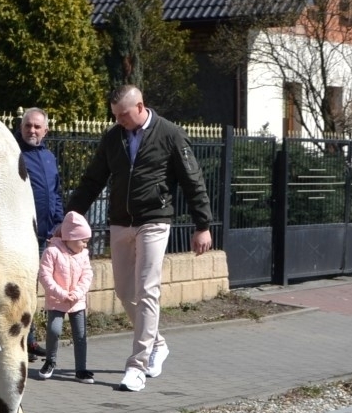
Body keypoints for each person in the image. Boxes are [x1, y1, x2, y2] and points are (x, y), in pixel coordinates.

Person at [64, 85, 212, 393]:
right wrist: (71, 215)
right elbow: (93, 179)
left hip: (154, 220)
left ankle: (137, 366)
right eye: (115, 115)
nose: (119, 120)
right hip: (120, 221)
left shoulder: (170, 134)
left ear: (140, 106)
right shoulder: (113, 137)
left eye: (123, 114)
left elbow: (192, 179)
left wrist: (203, 225)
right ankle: (157, 343)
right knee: (123, 291)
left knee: (147, 290)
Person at [17, 107, 63, 359]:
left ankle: (31, 341)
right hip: (23, 234)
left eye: (37, 127)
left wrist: (59, 222)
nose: (32, 130)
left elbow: (56, 193)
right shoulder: (15, 152)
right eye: (28, 126)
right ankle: (22, 341)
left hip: (47, 235)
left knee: (34, 291)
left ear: (46, 130)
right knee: (22, 289)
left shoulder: (49, 157)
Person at [36, 210, 94, 384]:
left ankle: (81, 369)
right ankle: (50, 361)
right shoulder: (52, 251)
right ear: (71, 237)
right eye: (83, 241)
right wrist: (61, 294)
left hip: (77, 301)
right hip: (57, 300)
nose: (85, 245)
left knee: (80, 335)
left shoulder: (83, 254)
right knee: (54, 330)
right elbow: (45, 276)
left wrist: (76, 294)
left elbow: (87, 275)